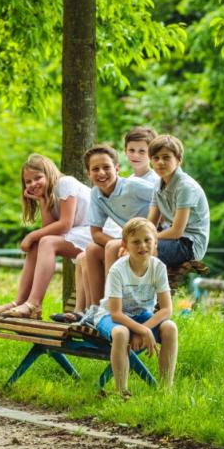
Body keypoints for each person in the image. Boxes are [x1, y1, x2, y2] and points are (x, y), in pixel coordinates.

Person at [0, 153, 90, 319]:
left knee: (43, 242)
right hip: (80, 233)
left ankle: (33, 303)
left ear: (49, 174)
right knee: (39, 244)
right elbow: (49, 230)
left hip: (98, 232)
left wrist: (31, 235)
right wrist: (42, 203)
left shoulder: (65, 183)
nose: (33, 184)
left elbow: (65, 224)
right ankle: (20, 302)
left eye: (38, 178)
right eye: (28, 182)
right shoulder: (49, 196)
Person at [73, 127, 159, 316]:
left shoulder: (133, 185)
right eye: (95, 169)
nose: (101, 173)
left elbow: (162, 198)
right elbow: (95, 233)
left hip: (153, 237)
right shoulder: (97, 194)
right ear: (88, 174)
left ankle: (113, 308)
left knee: (111, 246)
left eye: (106, 168)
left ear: (117, 169)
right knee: (91, 250)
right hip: (129, 239)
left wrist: (127, 242)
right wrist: (124, 243)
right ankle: (95, 310)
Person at [92, 218, 178, 394]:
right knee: (121, 332)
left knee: (170, 327)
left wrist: (142, 328)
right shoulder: (118, 270)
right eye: (136, 242)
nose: (142, 246)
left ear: (155, 242)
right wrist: (144, 331)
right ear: (125, 244)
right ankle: (121, 391)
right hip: (110, 316)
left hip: (140, 315)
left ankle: (165, 389)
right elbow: (115, 314)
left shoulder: (158, 268)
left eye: (147, 240)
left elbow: (166, 309)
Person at [147, 135, 210, 267]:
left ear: (178, 160)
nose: (160, 162)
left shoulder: (185, 186)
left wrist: (147, 238)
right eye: (155, 158)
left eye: (166, 157)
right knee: (114, 247)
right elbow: (150, 223)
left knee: (140, 250)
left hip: (189, 243)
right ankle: (110, 288)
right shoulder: (158, 184)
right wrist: (137, 237)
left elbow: (177, 231)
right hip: (172, 240)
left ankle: (147, 288)